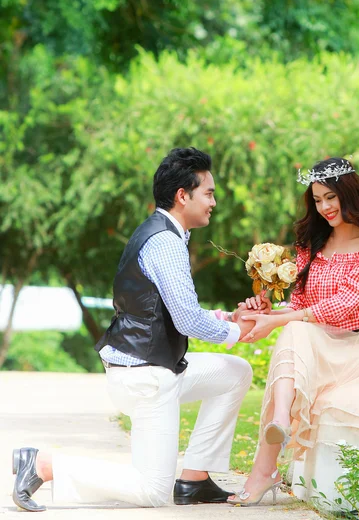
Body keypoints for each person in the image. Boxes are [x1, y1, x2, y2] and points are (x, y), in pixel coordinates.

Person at [12, 147, 255, 512]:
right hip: (145, 378)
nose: (214, 203)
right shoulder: (165, 242)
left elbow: (173, 310)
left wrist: (228, 319)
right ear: (182, 196)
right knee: (152, 492)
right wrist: (242, 333)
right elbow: (188, 320)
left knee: (235, 372)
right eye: (209, 193)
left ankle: (194, 478)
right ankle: (44, 464)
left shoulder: (163, 232)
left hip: (156, 368)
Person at [228, 157, 359, 506]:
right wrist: (263, 313)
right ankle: (278, 428)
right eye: (317, 200)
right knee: (293, 330)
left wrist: (281, 321)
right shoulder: (313, 245)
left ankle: (266, 463)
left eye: (330, 197)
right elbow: (299, 303)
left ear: (349, 194)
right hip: (319, 344)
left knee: (293, 329)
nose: (324, 207)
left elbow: (345, 305)